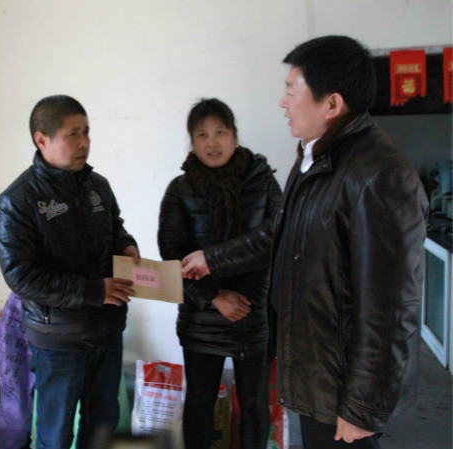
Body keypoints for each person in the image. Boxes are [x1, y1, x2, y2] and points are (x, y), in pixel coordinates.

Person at [181, 36, 428, 449]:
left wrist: (362, 407)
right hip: (318, 372)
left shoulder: (379, 176)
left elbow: (390, 309)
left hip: (344, 388)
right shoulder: (316, 158)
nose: (283, 102)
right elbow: (279, 232)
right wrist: (214, 259)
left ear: (332, 104)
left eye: (291, 90)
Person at [0, 95, 140, 449]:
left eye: (86, 131)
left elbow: (116, 229)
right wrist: (92, 291)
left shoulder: (98, 186)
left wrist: (127, 246)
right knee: (55, 435)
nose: (84, 142)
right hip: (58, 340)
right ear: (41, 139)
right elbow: (21, 276)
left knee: (102, 427)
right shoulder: (18, 200)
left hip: (107, 331)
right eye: (73, 134)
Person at [158, 98, 282, 449]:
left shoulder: (263, 182)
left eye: (220, 132)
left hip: (254, 314)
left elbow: (275, 238)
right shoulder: (180, 190)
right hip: (201, 319)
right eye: (202, 135)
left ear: (235, 136)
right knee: (199, 402)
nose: (212, 142)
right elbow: (173, 255)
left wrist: (245, 298)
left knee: (255, 405)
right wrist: (214, 297)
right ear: (193, 142)